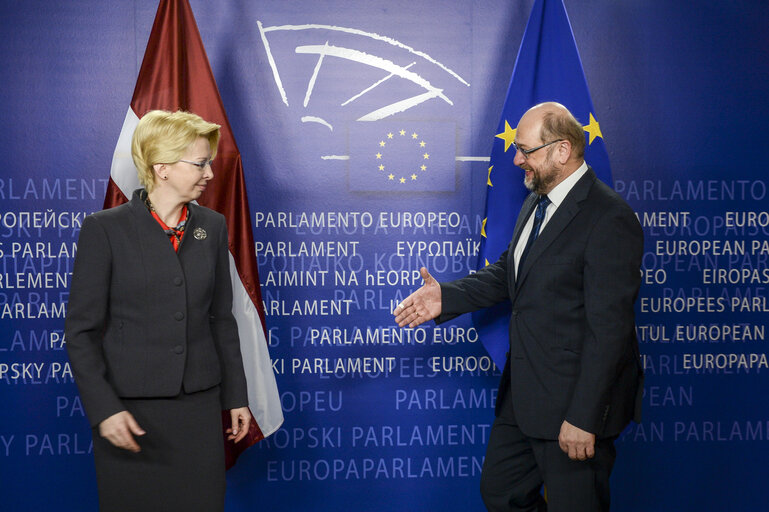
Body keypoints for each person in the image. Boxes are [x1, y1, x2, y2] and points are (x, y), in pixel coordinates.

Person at [393, 102, 644, 512]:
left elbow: (610, 331)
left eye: (525, 150)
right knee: (501, 493)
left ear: (561, 151)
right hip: (524, 398)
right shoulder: (537, 201)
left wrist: (584, 417)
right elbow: (511, 273)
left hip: (573, 407)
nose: (516, 159)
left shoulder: (608, 217)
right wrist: (447, 297)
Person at [65, 110, 252, 511]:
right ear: (161, 167)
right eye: (200, 163)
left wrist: (236, 396)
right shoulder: (104, 229)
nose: (210, 174)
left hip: (198, 409)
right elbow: (81, 333)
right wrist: (104, 409)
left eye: (209, 163)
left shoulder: (213, 226)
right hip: (129, 412)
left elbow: (222, 318)